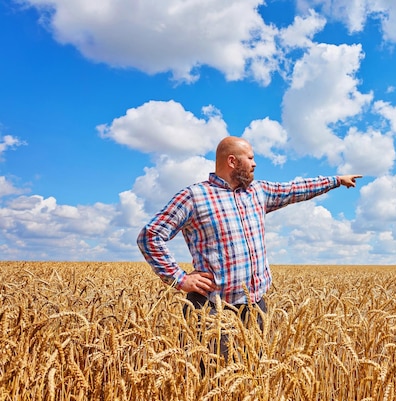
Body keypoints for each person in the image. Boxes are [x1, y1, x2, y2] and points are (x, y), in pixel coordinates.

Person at [137, 136, 361, 360]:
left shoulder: (257, 192)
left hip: (255, 307)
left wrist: (336, 180)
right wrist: (179, 279)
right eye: (251, 158)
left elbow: (294, 189)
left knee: (253, 374)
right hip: (212, 309)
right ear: (232, 161)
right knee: (213, 379)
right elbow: (150, 236)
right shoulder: (194, 197)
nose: (255, 164)